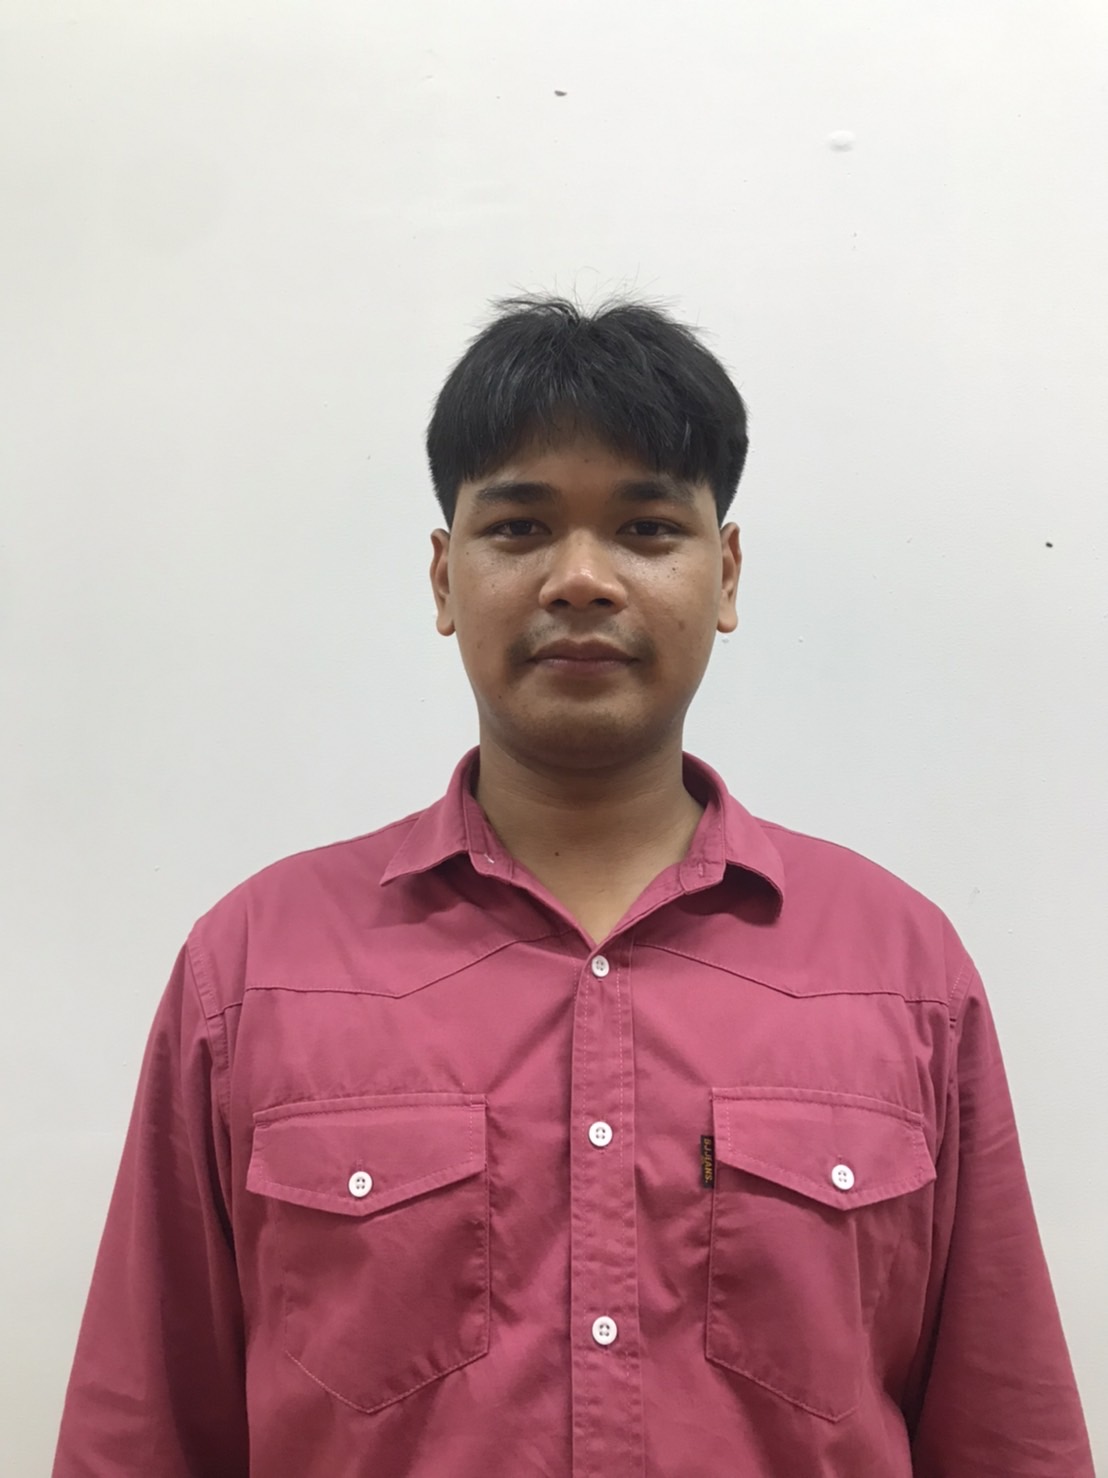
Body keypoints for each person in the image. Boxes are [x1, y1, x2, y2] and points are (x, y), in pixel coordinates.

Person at [52, 294, 1094, 1477]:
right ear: (444, 578)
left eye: (646, 528)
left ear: (725, 574)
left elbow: (1007, 1432)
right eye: (520, 528)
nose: (582, 578)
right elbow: (141, 1433)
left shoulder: (900, 969)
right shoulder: (255, 968)